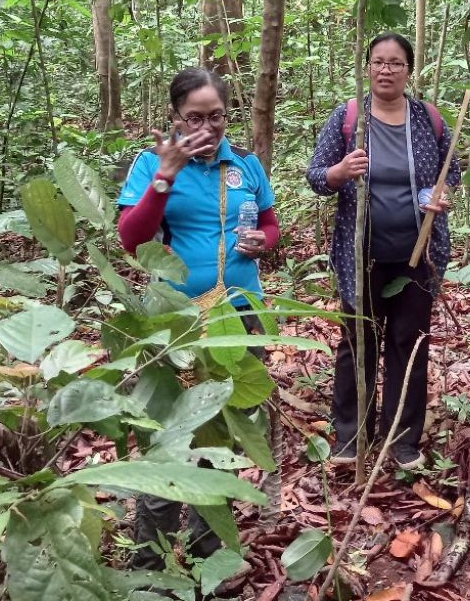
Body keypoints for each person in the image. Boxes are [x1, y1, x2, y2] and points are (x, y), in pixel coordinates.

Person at [117, 67, 279, 569]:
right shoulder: (152, 164)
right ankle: (152, 558)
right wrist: (166, 175)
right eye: (194, 119)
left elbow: (271, 224)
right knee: (170, 431)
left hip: (239, 314)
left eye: (216, 117)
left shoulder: (246, 164)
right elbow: (132, 239)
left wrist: (263, 242)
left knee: (224, 432)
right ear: (175, 118)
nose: (206, 129)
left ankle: (211, 551)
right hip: (178, 322)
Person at [306, 32, 460, 471]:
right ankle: (351, 436)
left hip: (418, 254)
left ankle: (403, 439)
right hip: (361, 254)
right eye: (378, 61)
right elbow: (317, 176)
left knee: (407, 342)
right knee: (359, 341)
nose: (386, 70)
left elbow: (454, 170)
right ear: (367, 67)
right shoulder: (348, 117)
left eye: (396, 63)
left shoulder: (427, 118)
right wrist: (339, 172)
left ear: (409, 70)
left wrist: (441, 192)